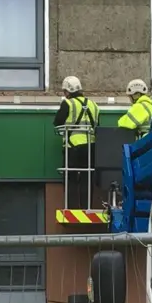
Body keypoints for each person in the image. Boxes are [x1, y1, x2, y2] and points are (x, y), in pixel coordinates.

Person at [53, 75, 101, 209]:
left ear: (67, 91)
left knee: (71, 177)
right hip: (91, 147)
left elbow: (57, 122)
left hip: (72, 147)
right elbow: (97, 124)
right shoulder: (93, 105)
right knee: (87, 177)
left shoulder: (68, 103)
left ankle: (72, 207)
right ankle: (87, 207)